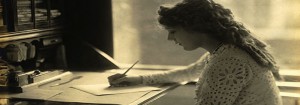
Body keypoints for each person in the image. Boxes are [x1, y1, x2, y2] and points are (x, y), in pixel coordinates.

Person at [108, 0, 283, 104]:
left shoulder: (229, 61)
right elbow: (188, 73)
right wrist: (137, 79)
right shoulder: (223, 52)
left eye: (173, 31)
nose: (170, 38)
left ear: (194, 28)